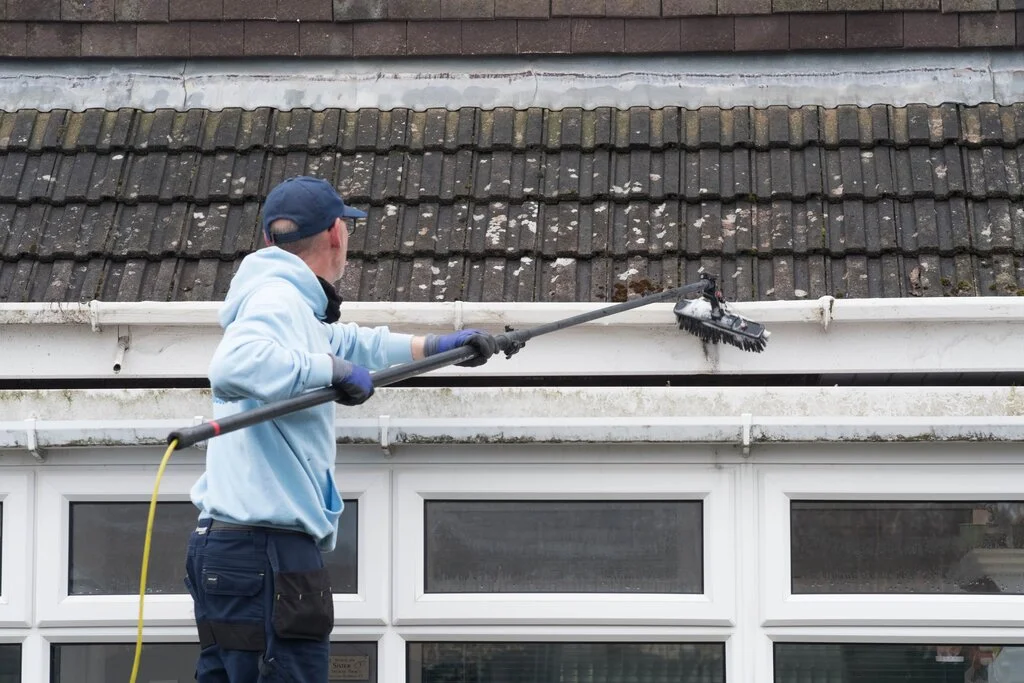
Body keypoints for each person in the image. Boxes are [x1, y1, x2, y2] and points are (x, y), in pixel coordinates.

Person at [183, 175, 499, 682]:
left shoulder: (284, 302)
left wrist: (437, 348)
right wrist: (327, 371)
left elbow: (353, 344)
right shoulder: (278, 299)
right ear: (336, 232)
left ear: (270, 238)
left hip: (233, 550)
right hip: (264, 551)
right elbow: (235, 364)